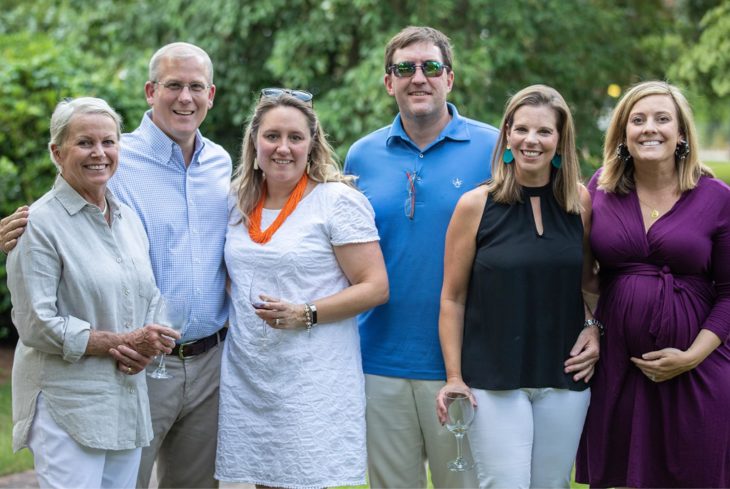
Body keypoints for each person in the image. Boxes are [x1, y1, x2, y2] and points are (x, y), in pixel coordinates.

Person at [0, 42, 231, 488]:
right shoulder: (115, 158)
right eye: (173, 85)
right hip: (133, 363)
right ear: (150, 90)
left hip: (209, 364)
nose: (185, 97)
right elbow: (60, 213)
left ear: (211, 94)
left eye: (196, 87)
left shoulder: (221, 163)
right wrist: (14, 231)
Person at [344, 26, 497, 488]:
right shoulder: (362, 155)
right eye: (404, 68)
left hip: (466, 364)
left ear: (450, 78)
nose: (418, 78)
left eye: (431, 67)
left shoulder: (494, 150)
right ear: (388, 81)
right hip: (379, 359)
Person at [215, 89, 388, 488]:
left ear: (312, 145)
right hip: (250, 375)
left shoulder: (336, 201)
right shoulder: (236, 201)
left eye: (295, 137)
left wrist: (305, 312)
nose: (283, 148)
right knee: (263, 481)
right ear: (254, 141)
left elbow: (376, 287)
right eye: (272, 136)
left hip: (311, 378)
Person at [6, 97, 180, 489]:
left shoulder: (127, 218)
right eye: (85, 143)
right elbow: (36, 324)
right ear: (57, 151)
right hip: (68, 404)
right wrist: (119, 342)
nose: (99, 153)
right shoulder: (37, 225)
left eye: (109, 142)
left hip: (124, 397)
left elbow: (147, 295)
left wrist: (147, 343)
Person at [434, 85, 600, 488]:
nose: (531, 140)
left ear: (560, 140)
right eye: (521, 129)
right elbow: (452, 299)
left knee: (552, 484)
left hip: (564, 377)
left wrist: (595, 327)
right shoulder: (476, 205)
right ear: (507, 134)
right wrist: (454, 376)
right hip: (493, 380)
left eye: (544, 131)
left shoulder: (579, 202)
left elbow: (588, 281)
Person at [575, 81, 730, 488]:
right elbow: (579, 274)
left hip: (698, 368)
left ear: (681, 134)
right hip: (617, 367)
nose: (650, 128)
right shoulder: (599, 190)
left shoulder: (716, 197)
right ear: (623, 133)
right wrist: (590, 325)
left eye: (663, 119)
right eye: (638, 120)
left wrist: (692, 356)